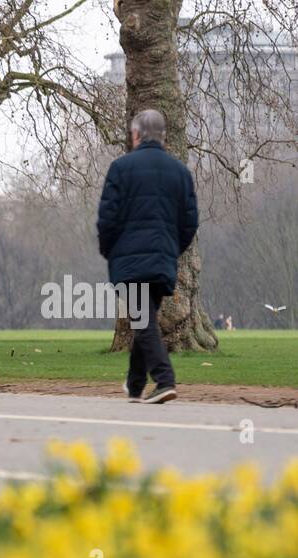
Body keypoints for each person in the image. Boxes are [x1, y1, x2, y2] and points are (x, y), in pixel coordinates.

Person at [97, 108, 198, 404]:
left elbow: (107, 218)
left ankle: (164, 379)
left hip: (130, 260)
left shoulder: (120, 168)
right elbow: (189, 222)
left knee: (142, 319)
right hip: (163, 258)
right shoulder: (180, 172)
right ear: (164, 136)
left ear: (137, 135)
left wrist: (110, 251)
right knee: (145, 319)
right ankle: (135, 383)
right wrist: (171, 250)